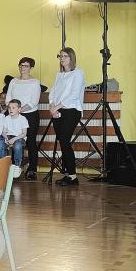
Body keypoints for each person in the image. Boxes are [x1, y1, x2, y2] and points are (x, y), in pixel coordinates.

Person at [48, 47, 85, 186]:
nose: (62, 58)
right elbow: (53, 92)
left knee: (64, 141)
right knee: (62, 142)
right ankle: (67, 174)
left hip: (71, 110)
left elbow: (74, 95)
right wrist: (52, 106)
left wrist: (57, 107)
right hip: (58, 111)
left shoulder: (78, 73)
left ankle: (73, 177)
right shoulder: (59, 75)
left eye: (65, 56)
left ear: (71, 58)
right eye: (60, 56)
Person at [6, 57, 42, 179]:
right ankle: (12, 168)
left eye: (26, 66)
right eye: (21, 65)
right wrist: (13, 110)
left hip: (30, 115)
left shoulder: (35, 82)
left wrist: (19, 110)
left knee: (30, 142)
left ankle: (32, 170)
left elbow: (34, 101)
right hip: (13, 114)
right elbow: (8, 98)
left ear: (31, 68)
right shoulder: (14, 81)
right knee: (10, 140)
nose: (23, 68)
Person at [3, 99, 28, 168]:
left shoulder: (23, 119)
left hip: (19, 137)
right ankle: (4, 165)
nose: (11, 109)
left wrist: (14, 139)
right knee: (0, 146)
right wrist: (7, 139)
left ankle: (17, 165)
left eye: (13, 108)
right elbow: (3, 132)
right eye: (9, 108)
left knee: (17, 146)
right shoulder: (6, 118)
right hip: (8, 137)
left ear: (19, 109)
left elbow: (24, 134)